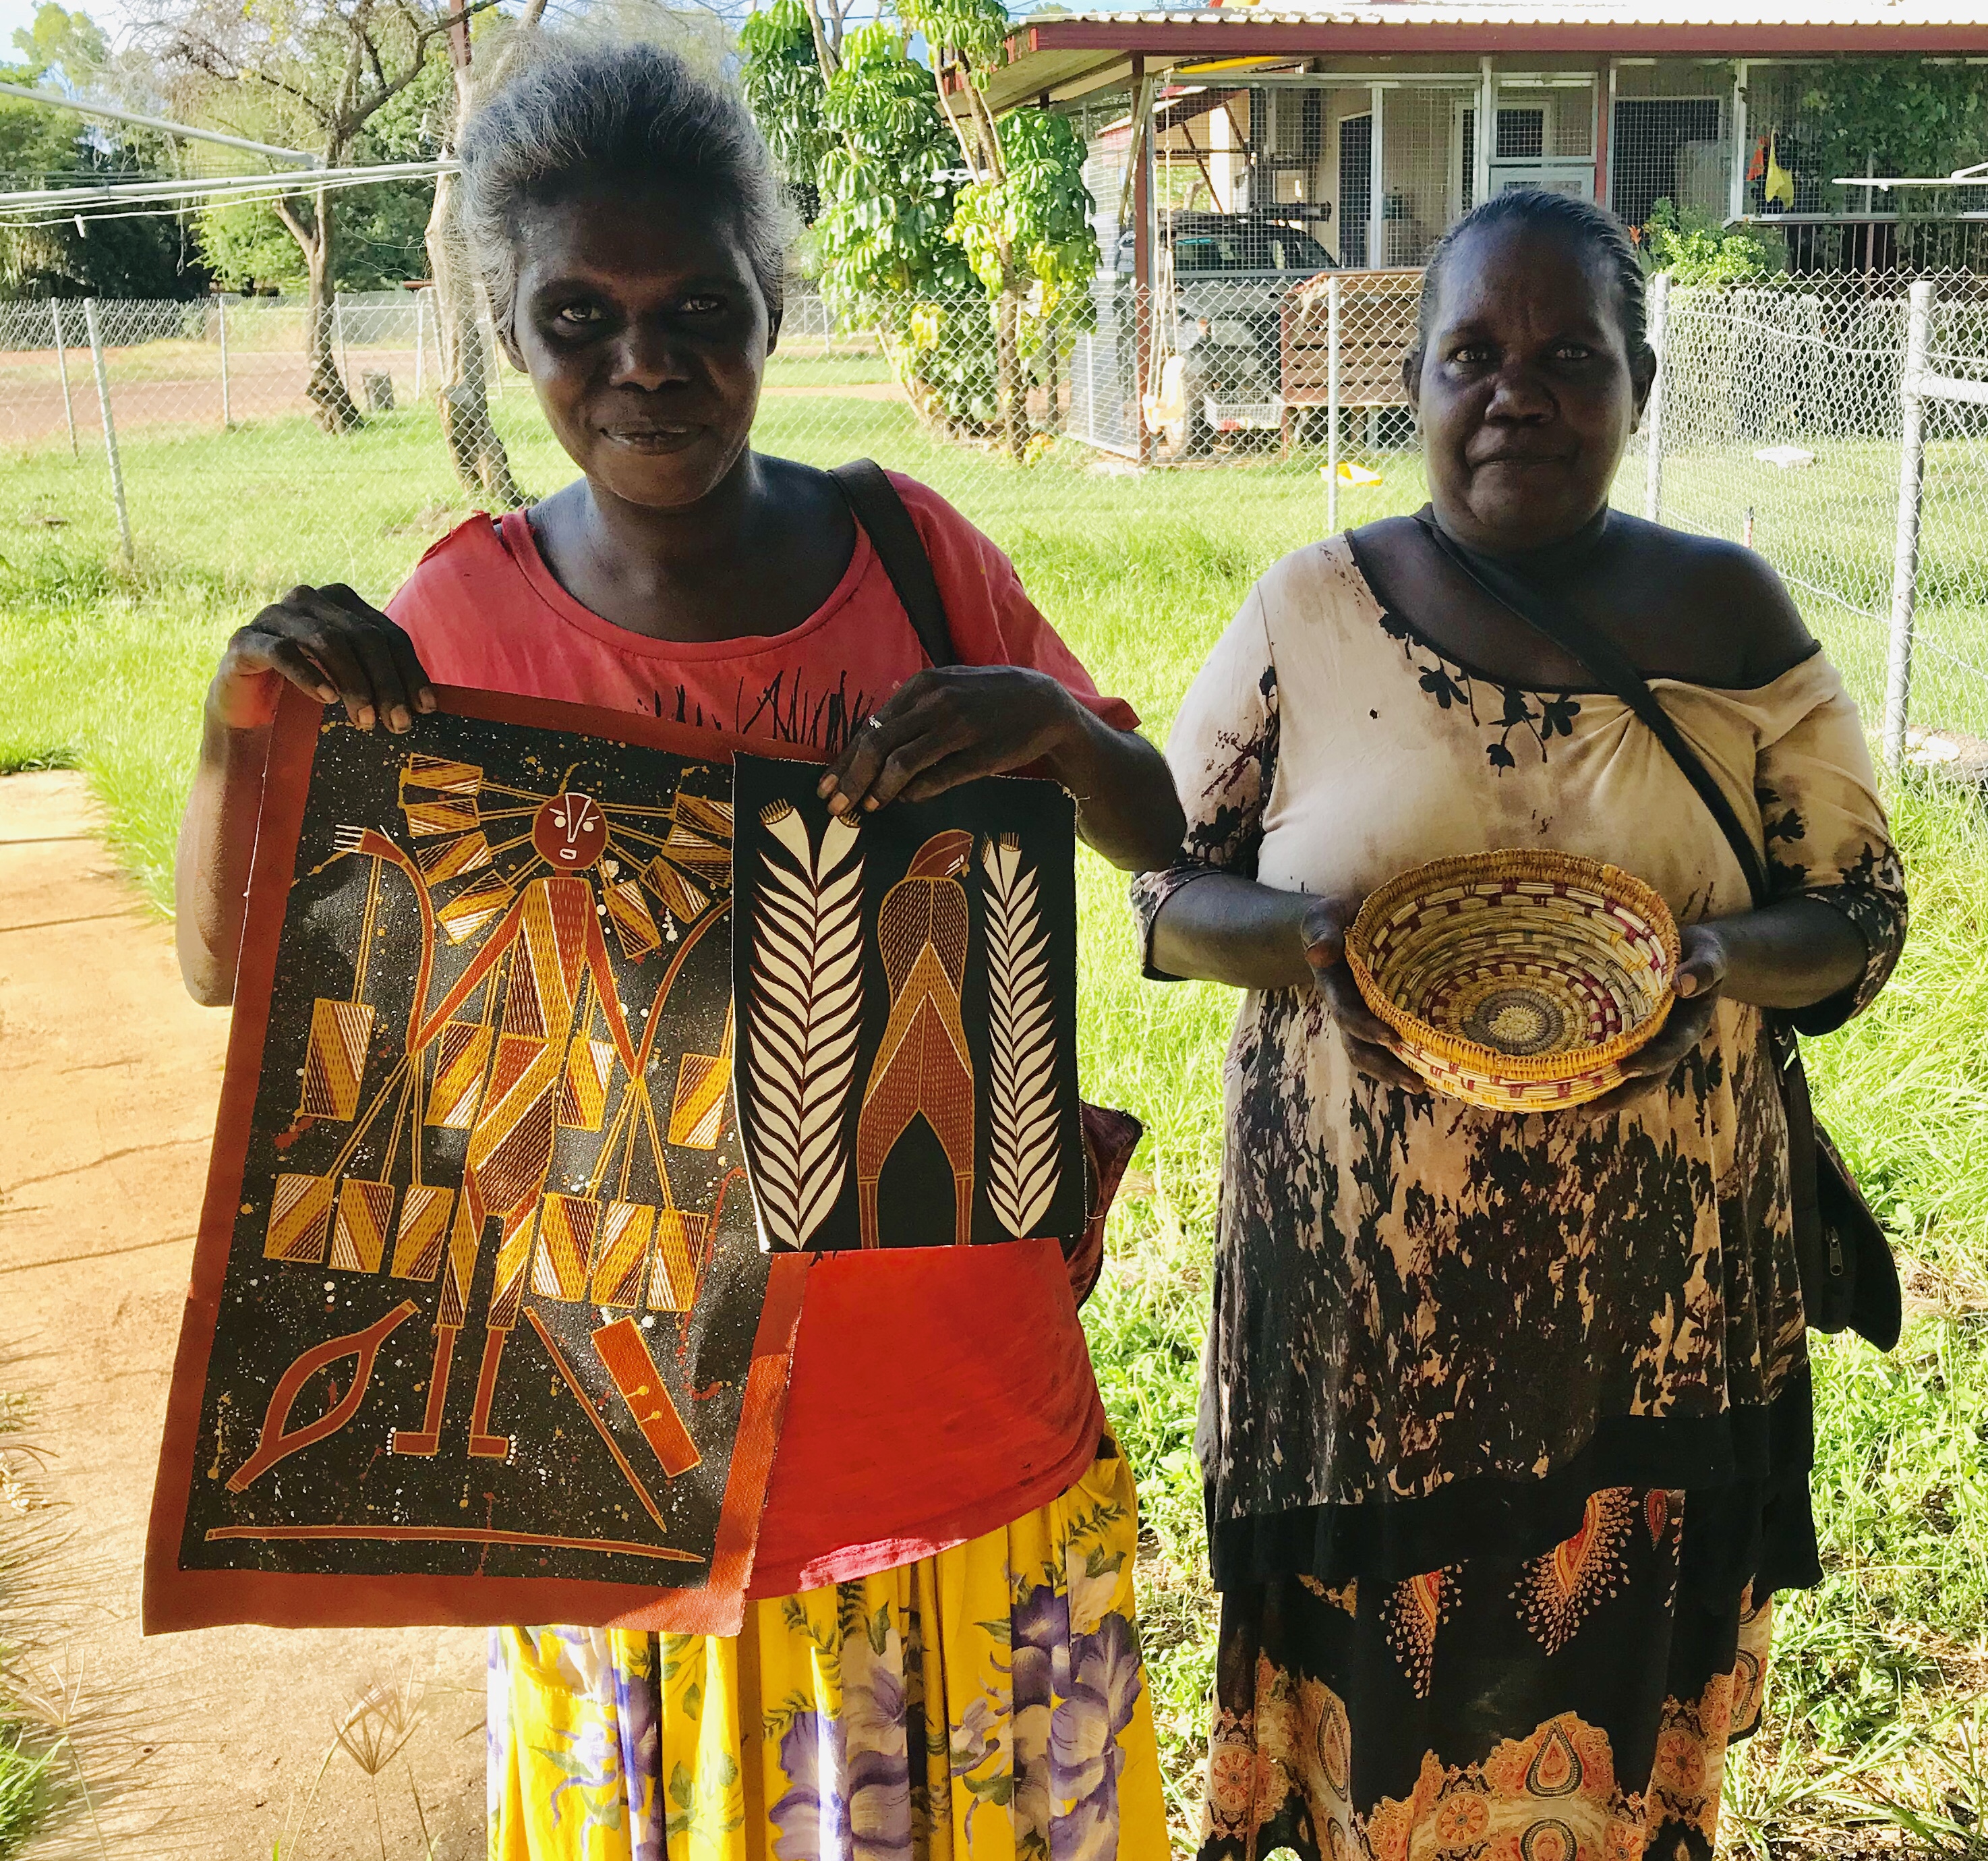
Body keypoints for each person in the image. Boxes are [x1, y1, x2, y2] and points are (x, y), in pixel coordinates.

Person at [175, 38, 1182, 1860]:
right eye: (581, 316)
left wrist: (1050, 726)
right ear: (511, 333)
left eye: (698, 308)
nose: (645, 360)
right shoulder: (455, 625)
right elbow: (233, 972)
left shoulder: (912, 554)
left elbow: (1152, 826)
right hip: (628, 1476)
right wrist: (241, 724)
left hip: (957, 1420)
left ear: (770, 301)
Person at [1135, 188, 1907, 1861]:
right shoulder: (1308, 612)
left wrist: (1715, 958)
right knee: (1376, 1755)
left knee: (1612, 1741)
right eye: (1472, 355)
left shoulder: (1730, 615)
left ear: (1640, 386)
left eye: (1570, 358)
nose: (1517, 396)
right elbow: (1167, 895)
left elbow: (1857, 917)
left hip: (1653, 1327)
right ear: (1410, 381)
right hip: (1362, 1339)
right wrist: (1309, 942)